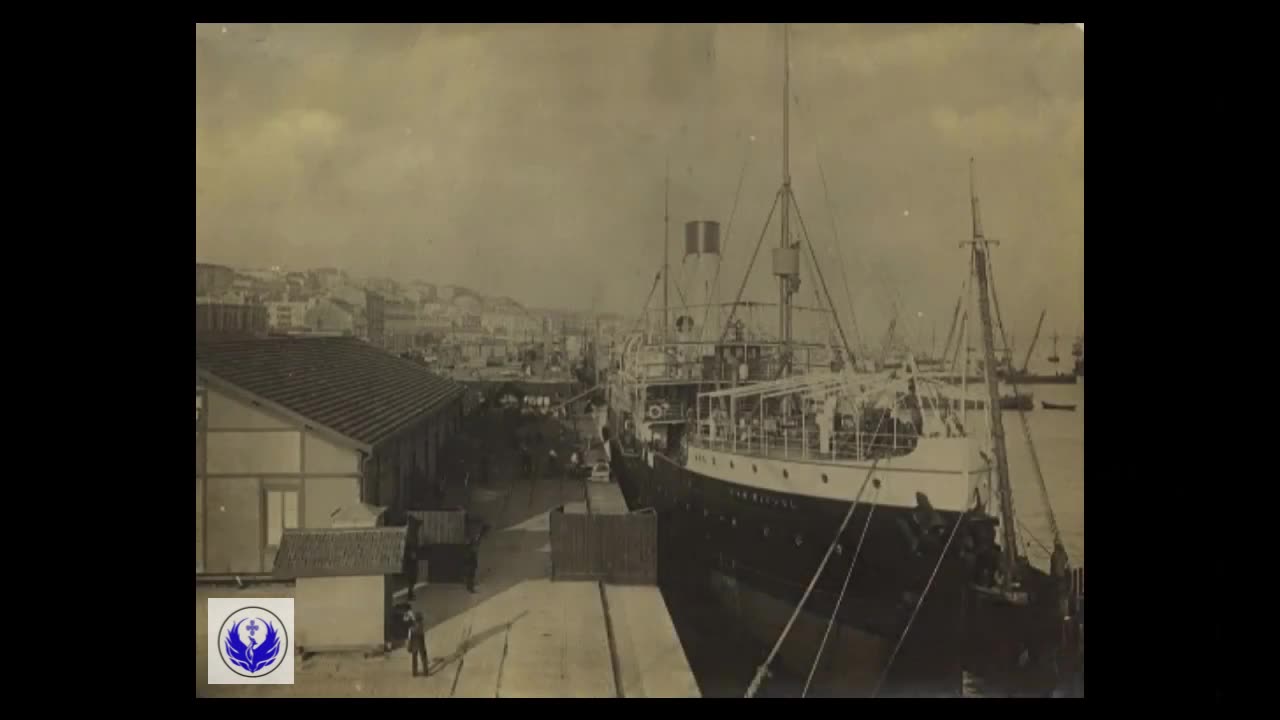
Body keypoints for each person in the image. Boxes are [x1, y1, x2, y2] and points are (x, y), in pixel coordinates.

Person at [406, 610, 429, 677]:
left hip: (414, 645)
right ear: (420, 620)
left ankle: (414, 673)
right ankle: (425, 672)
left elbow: (409, 638)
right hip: (421, 644)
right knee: (423, 658)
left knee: (414, 659)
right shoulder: (421, 626)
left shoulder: (411, 628)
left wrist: (409, 645)